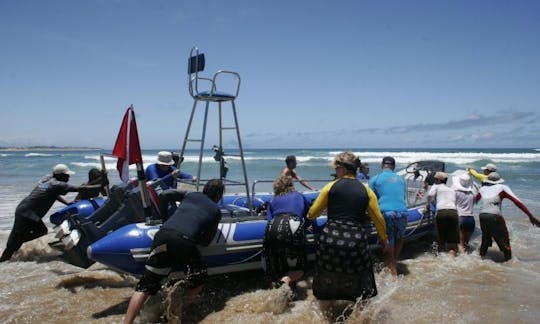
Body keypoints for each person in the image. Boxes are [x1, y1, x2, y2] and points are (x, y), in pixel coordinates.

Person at [124, 179, 224, 324]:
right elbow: (206, 241)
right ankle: (174, 310)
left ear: (204, 189)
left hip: (162, 234)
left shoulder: (191, 195)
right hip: (183, 240)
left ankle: (127, 322)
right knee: (199, 278)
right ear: (219, 195)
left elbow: (165, 194)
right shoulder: (215, 211)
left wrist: (165, 217)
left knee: (144, 286)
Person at [307, 152, 390, 305]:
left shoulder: (330, 186)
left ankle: (327, 314)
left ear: (343, 169)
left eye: (336, 168)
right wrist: (384, 240)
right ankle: (359, 317)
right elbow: (378, 219)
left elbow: (312, 213)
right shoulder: (366, 190)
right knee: (361, 284)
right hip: (355, 241)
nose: (335, 171)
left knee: (327, 276)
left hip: (330, 238)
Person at [0, 164, 107, 262]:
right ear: (60, 176)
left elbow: (53, 194)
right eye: (67, 176)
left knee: (40, 231)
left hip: (26, 210)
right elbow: (80, 188)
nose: (68, 178)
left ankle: (15, 244)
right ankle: (4, 260)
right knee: (18, 240)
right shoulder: (57, 184)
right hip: (27, 213)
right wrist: (101, 184)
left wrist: (66, 202)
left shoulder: (47, 179)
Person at [474, 172, 540, 261]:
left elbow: (474, 200)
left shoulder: (483, 189)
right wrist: (530, 216)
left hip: (482, 216)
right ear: (499, 181)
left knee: (485, 240)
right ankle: (509, 263)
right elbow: (517, 202)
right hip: (495, 216)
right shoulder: (502, 188)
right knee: (505, 242)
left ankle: (481, 260)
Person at [263, 175, 311, 296]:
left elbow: (269, 219)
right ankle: (285, 281)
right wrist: (304, 228)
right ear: (291, 185)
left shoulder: (273, 200)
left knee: (277, 265)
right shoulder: (299, 196)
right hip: (292, 223)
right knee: (300, 268)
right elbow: (310, 216)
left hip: (272, 226)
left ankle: (278, 291)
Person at [369, 156, 408, 275]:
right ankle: (393, 261)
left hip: (386, 212)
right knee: (399, 238)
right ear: (394, 166)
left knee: (388, 240)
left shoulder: (375, 179)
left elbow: (371, 199)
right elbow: (402, 196)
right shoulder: (401, 179)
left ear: (382, 165)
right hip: (402, 211)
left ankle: (392, 268)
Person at [425, 172, 460, 257]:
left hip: (441, 212)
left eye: (435, 179)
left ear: (438, 180)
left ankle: (439, 259)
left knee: (440, 240)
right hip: (453, 212)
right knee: (452, 243)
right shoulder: (451, 189)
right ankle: (452, 260)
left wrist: (427, 206)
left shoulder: (436, 186)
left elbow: (430, 195)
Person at [451, 172, 475, 253]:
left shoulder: (456, 192)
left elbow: (452, 205)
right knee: (466, 244)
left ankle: (463, 261)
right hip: (471, 219)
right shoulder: (472, 194)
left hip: (461, 218)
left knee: (460, 244)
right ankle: (468, 258)